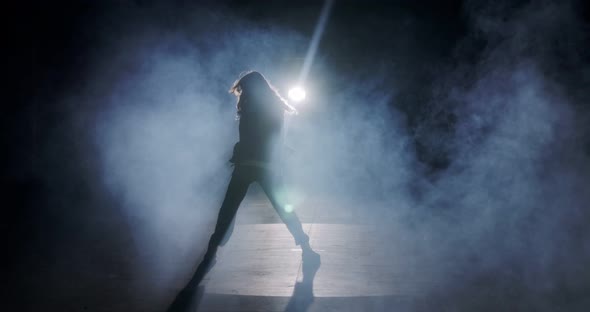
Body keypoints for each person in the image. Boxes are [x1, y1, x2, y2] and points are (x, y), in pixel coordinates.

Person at [185, 71, 319, 290]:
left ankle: (211, 252)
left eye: (244, 89)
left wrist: (239, 152)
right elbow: (273, 138)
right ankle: (305, 244)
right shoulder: (274, 108)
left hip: (249, 166)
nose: (242, 93)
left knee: (228, 210)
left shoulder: (249, 108)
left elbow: (251, 139)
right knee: (283, 207)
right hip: (265, 166)